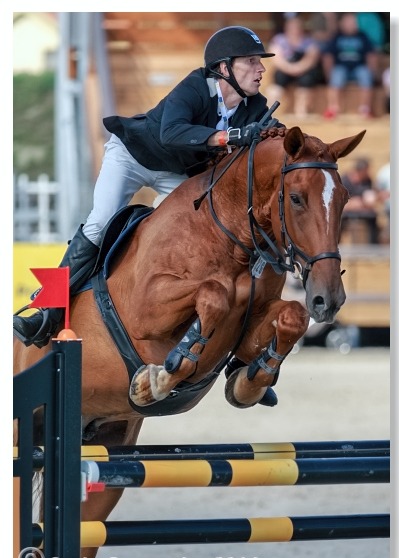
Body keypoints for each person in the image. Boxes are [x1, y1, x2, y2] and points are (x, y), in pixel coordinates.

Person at [14, 25, 282, 349]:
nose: (261, 68)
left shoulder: (255, 106)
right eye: (251, 61)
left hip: (176, 173)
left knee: (192, 229)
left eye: (260, 62)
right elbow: (171, 133)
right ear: (224, 68)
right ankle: (47, 309)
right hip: (132, 157)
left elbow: (278, 140)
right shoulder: (196, 87)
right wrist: (231, 137)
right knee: (100, 223)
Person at [322, 12, 377, 119]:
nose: (351, 24)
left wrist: (372, 71)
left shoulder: (363, 36)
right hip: (341, 68)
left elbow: (371, 55)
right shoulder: (336, 36)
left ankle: (365, 109)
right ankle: (333, 109)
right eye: (348, 22)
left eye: (353, 22)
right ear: (342, 23)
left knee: (365, 74)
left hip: (359, 68)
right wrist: (328, 72)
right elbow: (328, 56)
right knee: (337, 74)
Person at [266, 15, 322, 117]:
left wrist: (298, 68)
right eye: (292, 27)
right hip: (284, 70)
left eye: (297, 26)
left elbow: (311, 58)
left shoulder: (309, 41)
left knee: (307, 81)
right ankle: (270, 114)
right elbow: (276, 58)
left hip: (303, 71)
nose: (295, 29)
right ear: (286, 27)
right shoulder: (279, 40)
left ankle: (301, 112)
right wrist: (290, 69)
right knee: (276, 85)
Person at [340, 157, 379, 243]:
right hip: (347, 210)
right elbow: (340, 202)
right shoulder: (344, 180)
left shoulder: (367, 180)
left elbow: (369, 195)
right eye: (366, 170)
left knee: (373, 215)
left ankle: (373, 244)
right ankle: (337, 242)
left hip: (363, 209)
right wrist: (352, 203)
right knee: (339, 218)